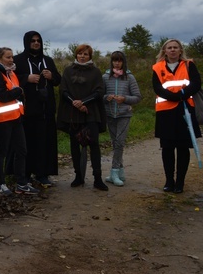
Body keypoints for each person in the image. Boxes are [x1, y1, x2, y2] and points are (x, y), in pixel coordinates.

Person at [152, 39, 202, 193]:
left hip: (185, 111)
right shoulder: (157, 67)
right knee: (167, 148)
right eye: (169, 48)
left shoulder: (188, 64)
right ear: (164, 51)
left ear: (180, 50)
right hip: (165, 112)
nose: (172, 50)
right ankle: (169, 181)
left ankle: (180, 182)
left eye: (175, 47)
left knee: (182, 147)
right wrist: (174, 97)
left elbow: (196, 83)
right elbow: (157, 87)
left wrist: (182, 94)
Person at [0, 48, 39, 196]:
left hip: (16, 118)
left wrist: (18, 92)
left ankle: (21, 183)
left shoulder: (10, 73)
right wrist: (19, 91)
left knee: (21, 150)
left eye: (12, 57)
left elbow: (15, 93)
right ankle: (0, 183)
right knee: (1, 152)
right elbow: (4, 96)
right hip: (1, 120)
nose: (11, 60)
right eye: (8, 57)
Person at [14, 31, 62, 188]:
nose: (36, 43)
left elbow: (58, 80)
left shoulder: (47, 60)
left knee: (45, 141)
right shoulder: (18, 60)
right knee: (27, 142)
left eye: (38, 41)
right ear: (27, 42)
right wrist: (26, 79)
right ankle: (25, 174)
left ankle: (43, 174)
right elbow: (11, 80)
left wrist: (51, 76)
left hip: (45, 109)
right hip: (27, 109)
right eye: (33, 41)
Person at [57, 44, 108, 191]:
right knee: (75, 145)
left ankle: (97, 178)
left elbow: (99, 91)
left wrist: (84, 102)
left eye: (85, 54)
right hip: (72, 113)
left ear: (90, 56)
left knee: (94, 145)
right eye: (80, 53)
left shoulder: (96, 72)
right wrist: (76, 103)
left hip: (91, 113)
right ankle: (78, 176)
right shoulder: (68, 70)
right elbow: (63, 89)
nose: (82, 56)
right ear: (76, 55)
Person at [102, 51, 142, 187]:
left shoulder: (129, 77)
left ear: (123, 62)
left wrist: (125, 99)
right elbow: (100, 95)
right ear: (111, 62)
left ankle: (113, 172)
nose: (117, 63)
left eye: (119, 61)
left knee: (119, 142)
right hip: (109, 115)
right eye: (114, 60)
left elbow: (137, 97)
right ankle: (120, 172)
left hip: (124, 114)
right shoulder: (105, 77)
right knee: (115, 143)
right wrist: (106, 98)